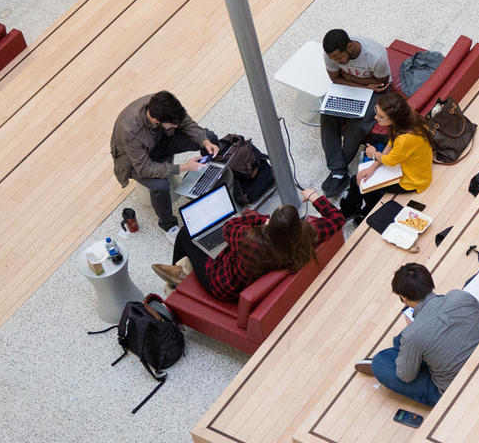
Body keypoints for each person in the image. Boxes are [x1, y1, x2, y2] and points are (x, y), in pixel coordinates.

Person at [150, 187, 344, 301]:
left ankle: (178, 274)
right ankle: (181, 268)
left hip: (222, 284)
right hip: (254, 269)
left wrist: (259, 218)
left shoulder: (251, 243)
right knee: (210, 244)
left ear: (271, 226)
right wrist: (314, 196)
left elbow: (229, 227)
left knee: (185, 234)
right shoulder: (307, 234)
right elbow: (337, 218)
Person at [352, 263, 479, 406]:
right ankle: (413, 352)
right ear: (430, 283)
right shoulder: (460, 296)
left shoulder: (412, 335)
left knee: (380, 361)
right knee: (408, 340)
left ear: (403, 298)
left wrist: (412, 332)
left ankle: (409, 354)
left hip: (456, 391)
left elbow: (406, 377)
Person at [110, 91, 221, 242]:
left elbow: (186, 123)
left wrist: (205, 141)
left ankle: (208, 181)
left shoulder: (167, 106)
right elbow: (145, 168)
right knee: (160, 185)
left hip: (160, 140)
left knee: (210, 137)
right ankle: (169, 226)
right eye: (173, 124)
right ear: (155, 120)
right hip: (134, 161)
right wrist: (184, 167)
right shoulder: (130, 130)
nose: (176, 126)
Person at [319, 28, 392, 199]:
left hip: (378, 92)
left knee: (358, 123)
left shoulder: (376, 57)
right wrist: (363, 84)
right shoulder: (330, 55)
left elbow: (381, 83)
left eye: (339, 58)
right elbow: (335, 79)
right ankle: (338, 171)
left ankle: (338, 171)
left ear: (350, 47)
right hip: (353, 87)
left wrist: (349, 79)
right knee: (327, 114)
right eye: (334, 60)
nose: (337, 62)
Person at [341, 92, 432, 222]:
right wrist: (372, 168)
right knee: (363, 180)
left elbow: (390, 160)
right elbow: (391, 143)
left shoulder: (405, 139)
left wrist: (374, 154)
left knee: (361, 184)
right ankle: (359, 211)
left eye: (381, 116)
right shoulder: (410, 121)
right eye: (377, 112)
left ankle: (355, 212)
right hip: (412, 168)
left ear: (393, 119)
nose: (376, 117)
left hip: (411, 180)